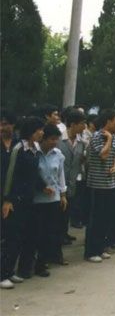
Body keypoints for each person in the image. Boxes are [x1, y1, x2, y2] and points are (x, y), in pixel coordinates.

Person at [1, 117, 45, 288]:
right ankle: (2, 274)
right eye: (39, 130)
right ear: (31, 131)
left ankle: (10, 271)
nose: (41, 133)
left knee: (21, 237)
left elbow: (34, 173)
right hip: (15, 200)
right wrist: (7, 199)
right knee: (11, 237)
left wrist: (44, 186)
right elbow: (10, 174)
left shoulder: (35, 149)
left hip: (29, 199)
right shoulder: (18, 148)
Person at [19, 124, 68, 277]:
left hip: (53, 199)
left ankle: (41, 264)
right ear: (43, 139)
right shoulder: (34, 153)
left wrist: (63, 194)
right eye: (52, 139)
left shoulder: (58, 154)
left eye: (56, 139)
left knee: (48, 234)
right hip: (36, 200)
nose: (55, 142)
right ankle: (26, 267)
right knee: (33, 235)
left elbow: (60, 175)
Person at [84, 109, 115, 263]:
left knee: (105, 218)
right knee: (96, 219)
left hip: (109, 183)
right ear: (108, 121)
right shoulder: (97, 137)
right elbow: (103, 155)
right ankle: (91, 251)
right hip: (96, 184)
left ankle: (100, 248)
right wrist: (109, 139)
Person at [56, 109, 86, 239]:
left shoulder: (81, 142)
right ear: (73, 124)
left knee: (68, 209)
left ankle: (64, 233)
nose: (84, 126)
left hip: (72, 182)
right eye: (82, 123)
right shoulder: (58, 139)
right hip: (58, 182)